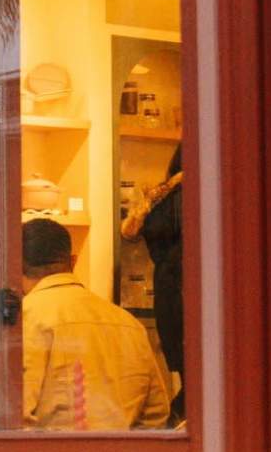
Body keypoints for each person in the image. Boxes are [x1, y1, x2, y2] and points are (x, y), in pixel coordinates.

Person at [10, 216, 174, 431]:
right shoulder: (128, 323)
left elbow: (13, 416)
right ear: (73, 261)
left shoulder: (25, 316)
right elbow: (156, 413)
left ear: (15, 265)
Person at [128, 146, 186, 394]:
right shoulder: (166, 196)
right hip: (178, 288)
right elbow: (129, 230)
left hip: (170, 288)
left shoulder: (161, 197)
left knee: (188, 370)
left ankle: (181, 413)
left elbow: (130, 231)